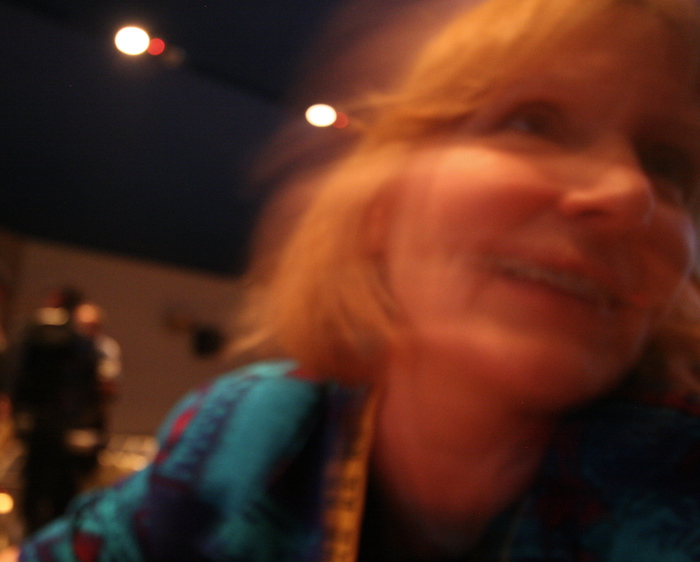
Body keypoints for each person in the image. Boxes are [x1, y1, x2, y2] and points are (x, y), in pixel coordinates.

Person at [16, 0, 700, 559]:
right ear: (379, 211)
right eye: (533, 122)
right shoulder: (246, 435)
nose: (628, 191)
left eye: (667, 163)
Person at [11, 288, 102, 535]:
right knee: (62, 492)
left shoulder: (31, 333)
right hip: (65, 428)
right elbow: (90, 387)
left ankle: (31, 539)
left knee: (35, 489)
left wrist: (18, 412)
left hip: (37, 426)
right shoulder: (81, 342)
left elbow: (16, 374)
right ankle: (52, 542)